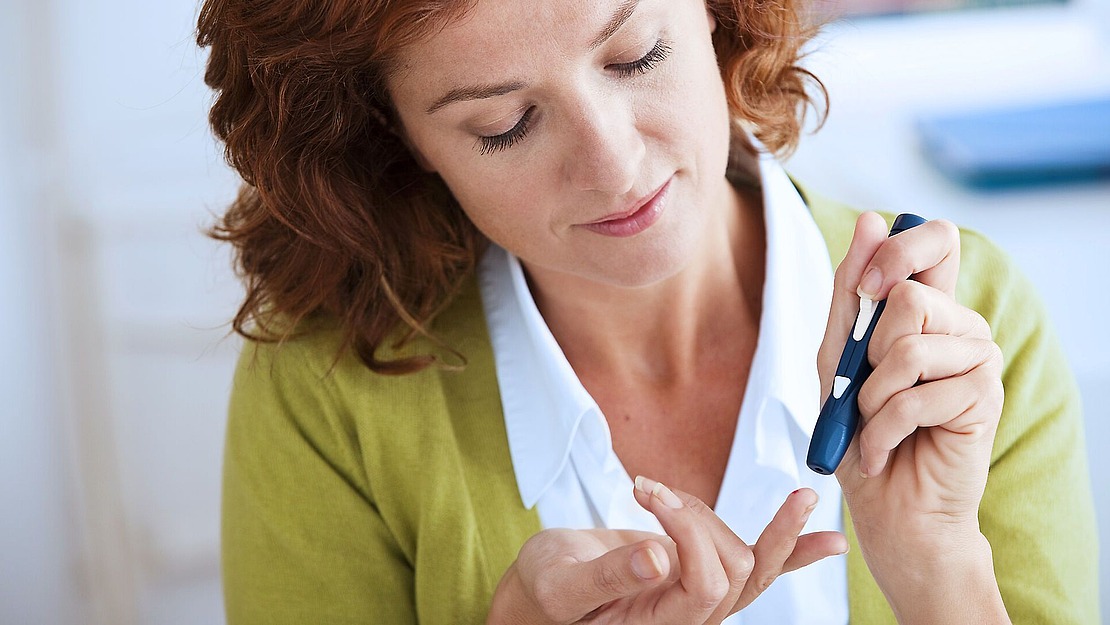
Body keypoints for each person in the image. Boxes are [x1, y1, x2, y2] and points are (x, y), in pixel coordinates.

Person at [196, 0, 1099, 623]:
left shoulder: (960, 324)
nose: (614, 165)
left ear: (712, 11)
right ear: (398, 138)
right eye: (505, 123)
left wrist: (940, 571)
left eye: (637, 57)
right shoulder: (326, 391)